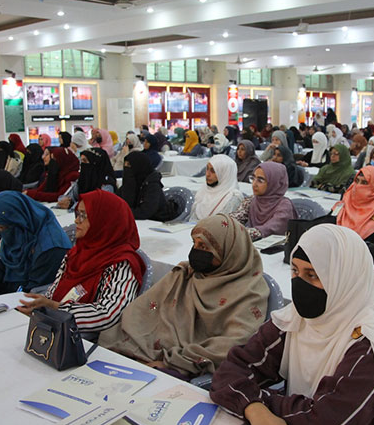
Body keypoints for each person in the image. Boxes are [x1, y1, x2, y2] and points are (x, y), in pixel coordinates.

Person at [210, 224, 374, 425]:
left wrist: (257, 401)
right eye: (295, 271)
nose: (300, 284)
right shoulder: (295, 319)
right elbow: (231, 369)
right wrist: (254, 408)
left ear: (343, 278)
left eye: (312, 275)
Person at [98, 214, 270, 378]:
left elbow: (235, 342)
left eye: (204, 247)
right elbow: (142, 309)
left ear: (229, 252)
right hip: (149, 355)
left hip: (186, 367)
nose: (196, 251)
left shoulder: (249, 292)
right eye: (195, 244)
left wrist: (175, 361)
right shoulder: (186, 274)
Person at [18, 190, 144, 332]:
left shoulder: (121, 263)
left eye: (84, 215)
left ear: (103, 221)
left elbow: (109, 314)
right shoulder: (76, 253)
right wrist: (40, 306)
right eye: (78, 214)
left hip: (87, 337)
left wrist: (55, 308)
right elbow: (53, 293)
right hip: (56, 327)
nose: (76, 220)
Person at [0, 190, 70, 295]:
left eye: (2, 227)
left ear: (18, 221)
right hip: (5, 297)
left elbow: (33, 291)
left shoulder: (51, 247)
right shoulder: (16, 233)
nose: (2, 232)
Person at [231, 162, 296, 241]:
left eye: (260, 180)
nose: (254, 184)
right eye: (253, 178)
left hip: (275, 246)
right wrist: (223, 224)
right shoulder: (252, 199)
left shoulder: (284, 205)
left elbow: (269, 229)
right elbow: (235, 218)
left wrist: (237, 233)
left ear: (274, 182)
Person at [119, 151, 175, 221]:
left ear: (139, 165)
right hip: (137, 220)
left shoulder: (152, 185)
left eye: (129, 165)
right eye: (125, 165)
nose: (126, 168)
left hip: (156, 221)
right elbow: (118, 201)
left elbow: (145, 212)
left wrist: (122, 212)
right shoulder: (131, 182)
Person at [189, 155, 243, 221]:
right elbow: (192, 219)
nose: (207, 174)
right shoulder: (203, 191)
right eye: (207, 169)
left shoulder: (232, 198)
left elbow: (224, 224)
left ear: (224, 174)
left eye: (213, 171)